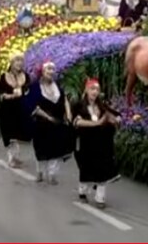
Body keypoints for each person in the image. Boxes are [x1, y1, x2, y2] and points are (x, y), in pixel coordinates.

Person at [74, 78, 120, 209]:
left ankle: (100, 197)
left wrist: (114, 120)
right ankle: (82, 191)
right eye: (92, 89)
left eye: (97, 89)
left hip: (101, 143)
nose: (95, 92)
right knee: (86, 167)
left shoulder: (102, 106)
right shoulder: (79, 105)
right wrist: (97, 123)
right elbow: (77, 122)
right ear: (86, 90)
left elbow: (115, 116)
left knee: (103, 168)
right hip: (85, 143)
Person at [27, 60, 73, 184]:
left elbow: (64, 100)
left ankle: (52, 174)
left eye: (52, 69)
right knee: (41, 149)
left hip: (57, 122)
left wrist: (68, 113)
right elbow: (33, 106)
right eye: (48, 69)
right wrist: (47, 117)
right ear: (42, 71)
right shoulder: (35, 86)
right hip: (42, 123)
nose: (51, 72)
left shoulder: (57, 85)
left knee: (56, 149)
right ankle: (40, 172)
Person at [0, 53, 31, 168]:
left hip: (21, 109)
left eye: (21, 60)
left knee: (17, 134)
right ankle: (11, 158)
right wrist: (8, 96)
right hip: (7, 110)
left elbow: (29, 90)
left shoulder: (26, 76)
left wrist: (24, 93)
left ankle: (16, 156)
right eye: (17, 60)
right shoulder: (3, 76)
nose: (19, 63)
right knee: (10, 135)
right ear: (11, 63)